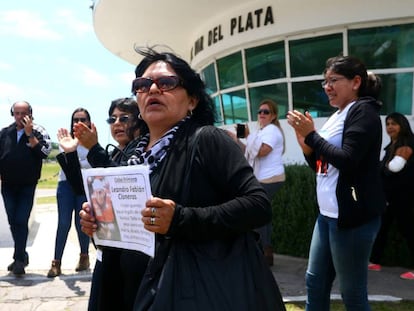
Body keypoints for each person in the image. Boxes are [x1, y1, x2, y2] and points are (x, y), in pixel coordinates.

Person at [79, 47, 286, 311]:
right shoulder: (132, 153)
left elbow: (258, 205)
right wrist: (98, 223)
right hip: (127, 291)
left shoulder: (207, 140)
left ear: (192, 100)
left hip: (185, 292)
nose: (153, 89)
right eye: (142, 85)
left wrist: (180, 219)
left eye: (166, 83)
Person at [286, 55, 385, 310]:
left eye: (333, 80)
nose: (327, 86)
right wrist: (308, 148)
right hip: (327, 216)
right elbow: (324, 168)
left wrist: (312, 136)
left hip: (352, 219)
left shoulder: (364, 111)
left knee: (352, 293)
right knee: (315, 283)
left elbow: (349, 160)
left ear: (355, 82)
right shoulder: (337, 115)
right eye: (324, 82)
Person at [59, 97, 148, 311]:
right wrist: (71, 152)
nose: (116, 123)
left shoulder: (143, 149)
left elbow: (120, 184)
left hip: (132, 258)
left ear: (140, 120)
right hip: (108, 251)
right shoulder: (116, 152)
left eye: (124, 118)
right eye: (112, 118)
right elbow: (83, 189)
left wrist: (94, 149)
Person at [227, 99, 285, 266]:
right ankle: (265, 253)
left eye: (266, 112)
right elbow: (250, 152)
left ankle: (262, 253)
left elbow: (261, 152)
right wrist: (238, 140)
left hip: (270, 178)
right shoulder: (262, 131)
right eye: (260, 111)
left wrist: (248, 135)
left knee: (257, 214)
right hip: (264, 178)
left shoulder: (272, 130)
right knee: (262, 215)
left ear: (273, 116)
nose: (262, 114)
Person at [0, 100, 52, 276]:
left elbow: (44, 153)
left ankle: (19, 260)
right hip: (7, 185)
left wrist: (30, 135)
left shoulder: (39, 131)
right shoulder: (5, 133)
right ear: (12, 114)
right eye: (17, 113)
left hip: (27, 185)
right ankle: (21, 256)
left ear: (31, 114)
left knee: (21, 220)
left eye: (24, 113)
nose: (20, 117)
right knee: (13, 221)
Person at [47, 108, 92, 278]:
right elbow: (67, 163)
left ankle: (84, 257)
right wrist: (78, 160)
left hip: (83, 186)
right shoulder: (65, 140)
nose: (78, 122)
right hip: (65, 185)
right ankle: (56, 262)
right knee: (63, 223)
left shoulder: (92, 142)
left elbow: (92, 164)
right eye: (75, 119)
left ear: (89, 121)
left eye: (83, 119)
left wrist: (76, 160)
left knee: (82, 222)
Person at [369, 112, 414, 280]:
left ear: (402, 125)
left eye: (394, 124)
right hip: (389, 197)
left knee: (409, 230)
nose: (390, 127)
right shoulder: (391, 146)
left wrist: (385, 167)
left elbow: (395, 168)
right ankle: (374, 260)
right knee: (382, 227)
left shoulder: (407, 145)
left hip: (404, 197)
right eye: (387, 124)